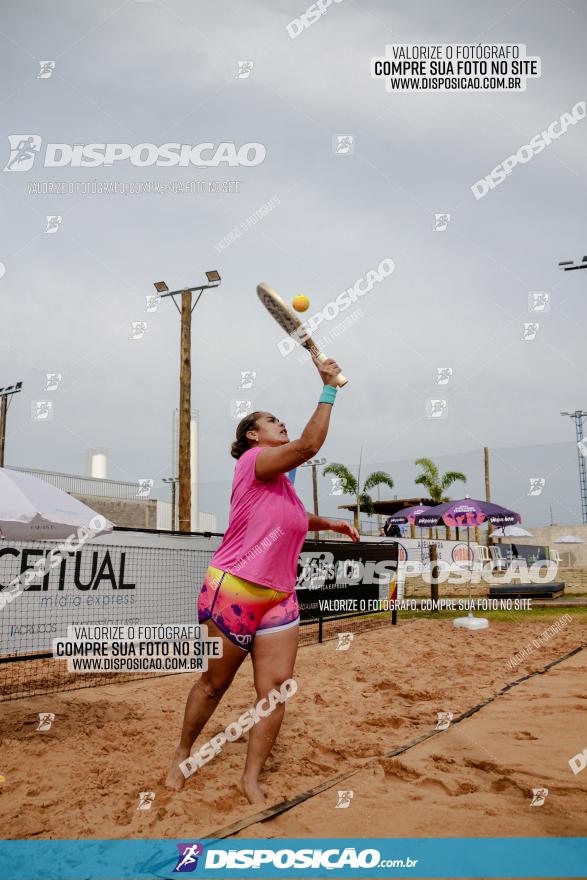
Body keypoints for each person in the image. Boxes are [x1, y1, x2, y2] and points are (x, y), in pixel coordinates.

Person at [165, 353, 359, 802]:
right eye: (272, 421)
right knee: (215, 683)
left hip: (279, 597)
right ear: (253, 435)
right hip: (234, 588)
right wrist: (328, 388)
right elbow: (309, 446)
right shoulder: (254, 462)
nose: (281, 424)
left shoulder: (281, 485)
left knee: (273, 693)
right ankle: (181, 751)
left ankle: (250, 779)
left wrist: (327, 523)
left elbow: (289, 517)